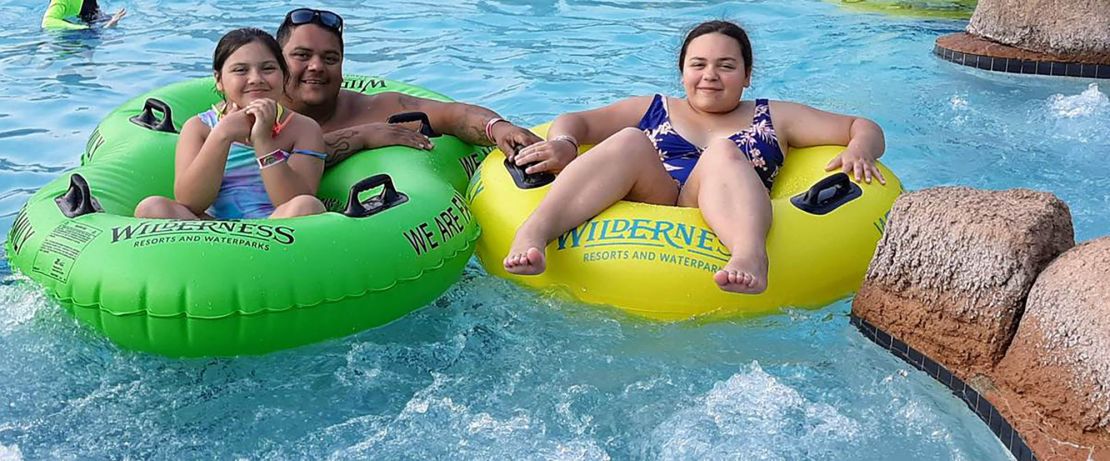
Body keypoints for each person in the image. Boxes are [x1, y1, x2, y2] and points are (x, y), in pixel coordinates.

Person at [502, 20, 887, 295]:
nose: (710, 76)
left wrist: (859, 148)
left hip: (725, 206)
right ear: (682, 71)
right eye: (698, 65)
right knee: (629, 140)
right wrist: (566, 143)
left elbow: (861, 125)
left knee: (722, 150)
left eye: (727, 66)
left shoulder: (774, 116)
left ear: (747, 74)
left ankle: (750, 255)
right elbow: (577, 121)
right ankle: (535, 232)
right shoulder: (654, 107)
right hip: (655, 196)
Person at [274, 8, 543, 167]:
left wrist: (499, 128)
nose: (317, 66)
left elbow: (454, 114)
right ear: (276, 62)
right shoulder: (250, 115)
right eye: (302, 55)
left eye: (330, 58)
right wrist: (362, 136)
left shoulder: (374, 109)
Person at [134, 28, 327, 220]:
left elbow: (293, 201)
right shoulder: (199, 127)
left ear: (284, 76)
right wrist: (222, 134)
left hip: (274, 231)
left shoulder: (303, 129)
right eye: (240, 70)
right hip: (214, 233)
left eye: (268, 69)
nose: (256, 79)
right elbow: (191, 202)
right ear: (219, 80)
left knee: (307, 205)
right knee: (152, 207)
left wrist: (263, 141)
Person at [42, 0, 125, 30]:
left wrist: (109, 23)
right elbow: (47, 22)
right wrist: (83, 28)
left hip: (86, 28)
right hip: (65, 35)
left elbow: (97, 17)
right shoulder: (60, 1)